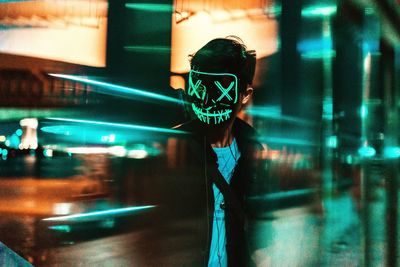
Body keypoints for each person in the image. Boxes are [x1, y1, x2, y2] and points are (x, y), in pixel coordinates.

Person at [174, 36, 262, 267]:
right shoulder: (174, 148)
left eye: (222, 87)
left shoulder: (254, 153)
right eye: (201, 86)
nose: (209, 101)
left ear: (245, 95)